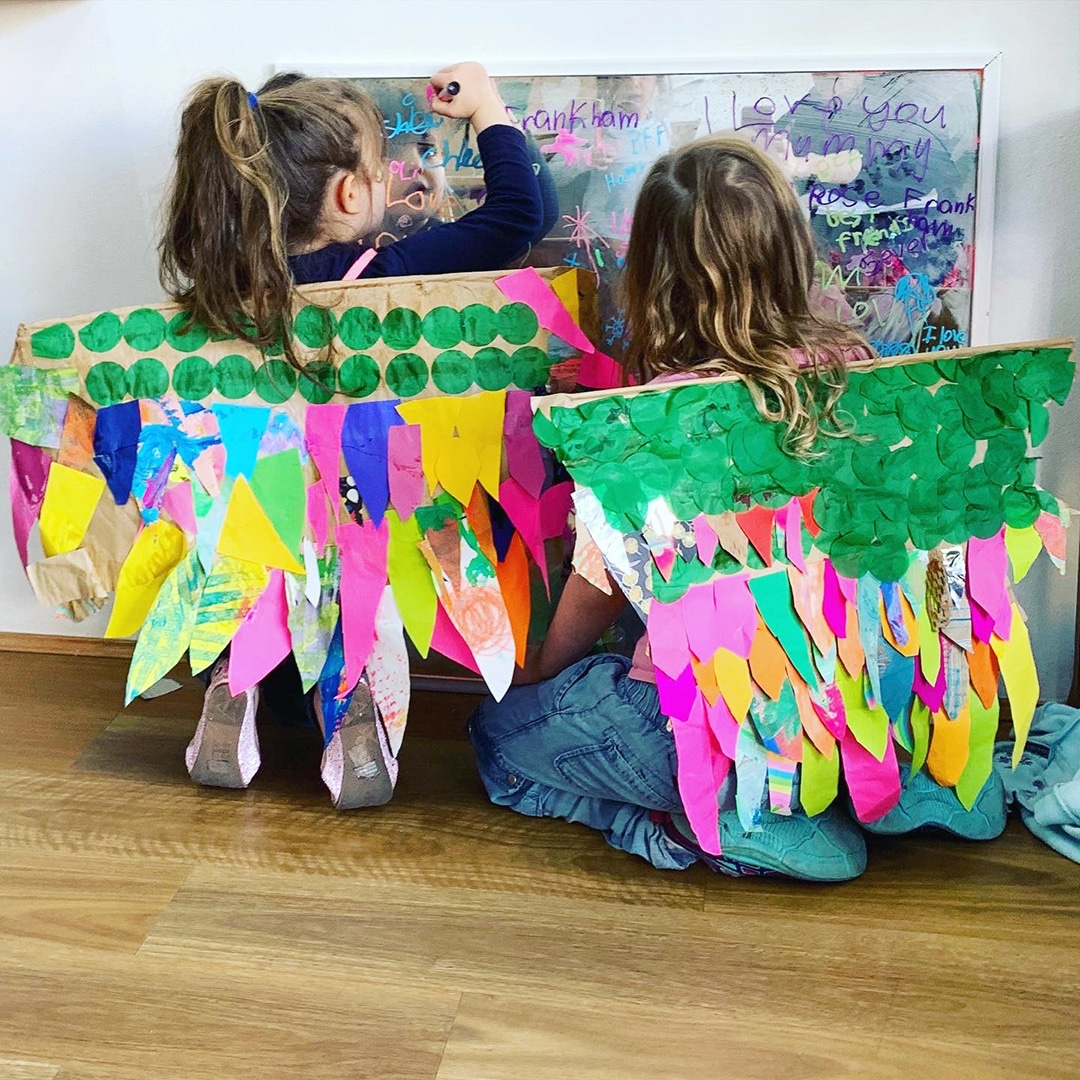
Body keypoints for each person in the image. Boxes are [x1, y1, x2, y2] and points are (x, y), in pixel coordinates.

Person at [469, 134, 948, 881]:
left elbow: (599, 588)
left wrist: (541, 672)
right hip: (852, 703)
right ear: (791, 250)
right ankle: (874, 786)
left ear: (652, 280)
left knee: (497, 740)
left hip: (708, 724)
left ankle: (704, 821)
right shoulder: (861, 372)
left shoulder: (651, 423)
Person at [159, 62, 557, 808]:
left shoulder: (224, 286)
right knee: (362, 596)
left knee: (255, 588)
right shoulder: (382, 272)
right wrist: (487, 111)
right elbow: (518, 217)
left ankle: (230, 690)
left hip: (253, 495)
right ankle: (353, 723)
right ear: (350, 193)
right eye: (382, 173)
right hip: (366, 494)